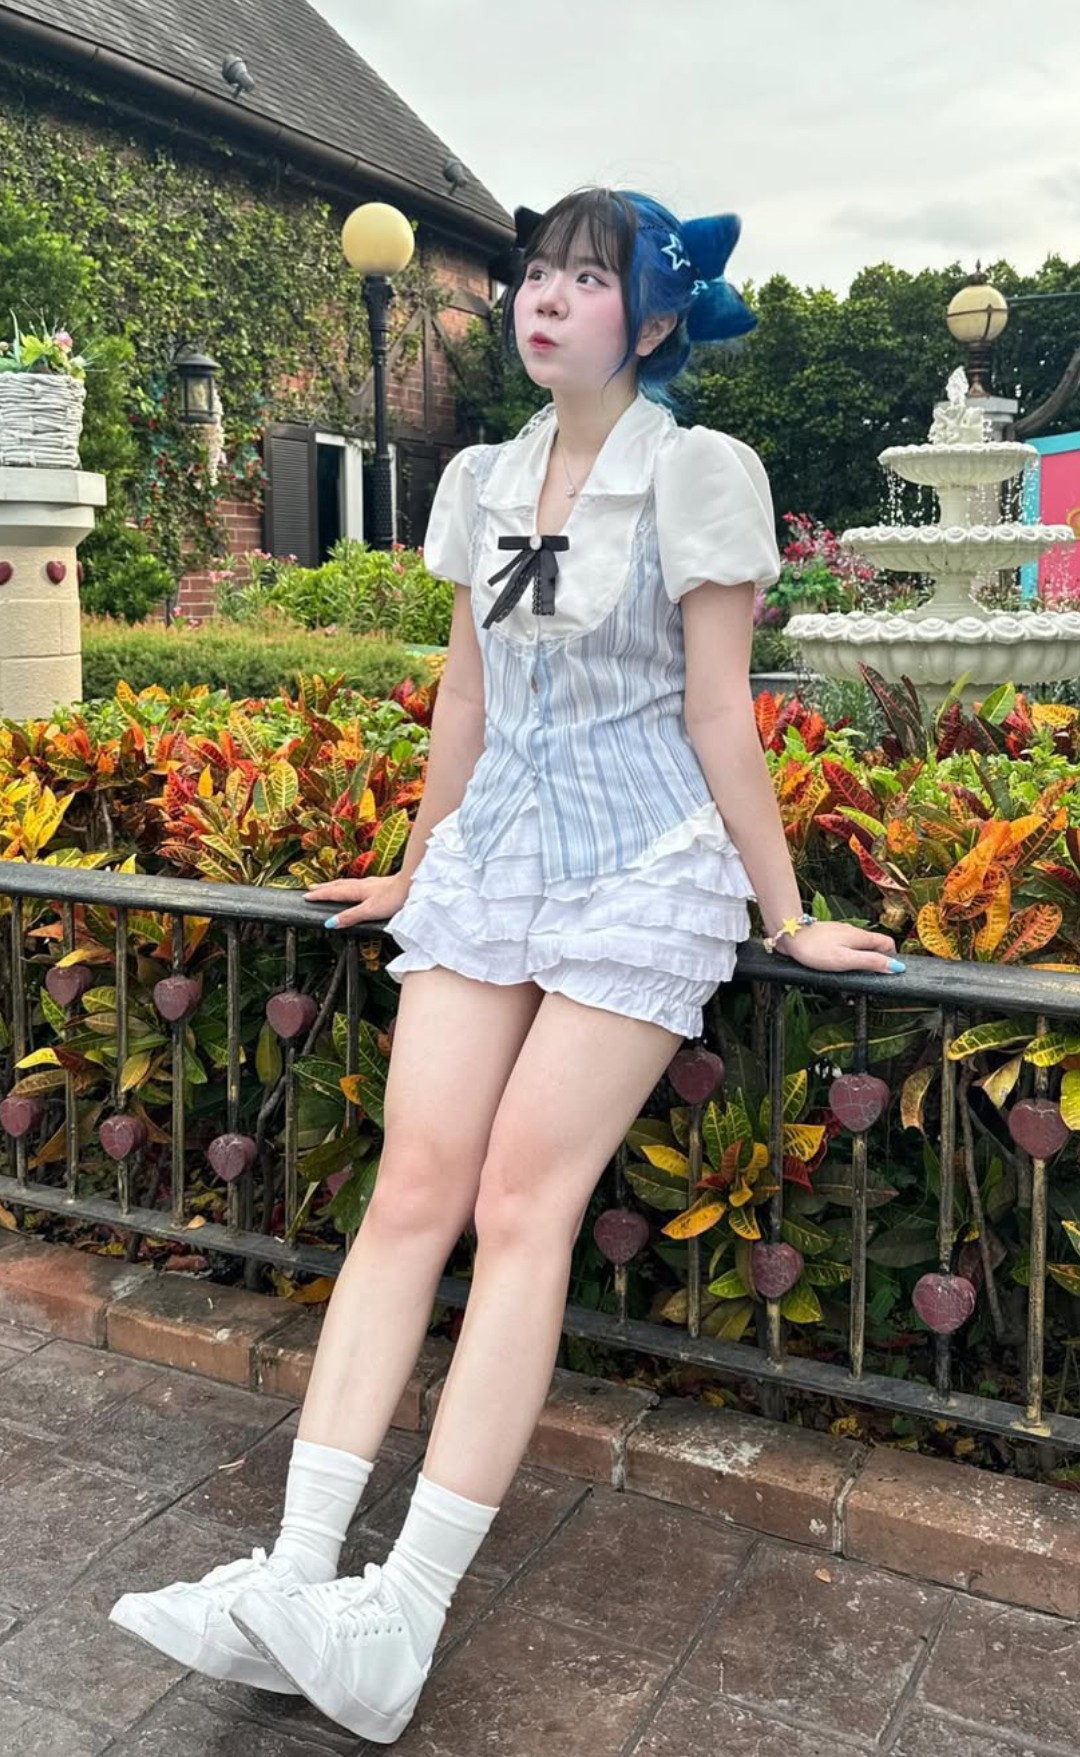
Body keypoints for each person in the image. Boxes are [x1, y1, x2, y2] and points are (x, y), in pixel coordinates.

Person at [109, 186, 902, 1743]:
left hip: (643, 867)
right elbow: (466, 699)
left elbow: (719, 710)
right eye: (536, 273)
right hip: (495, 864)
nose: (542, 297)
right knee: (412, 1189)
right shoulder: (479, 477)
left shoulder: (698, 474)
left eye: (585, 279)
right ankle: (293, 1574)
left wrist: (784, 912)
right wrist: (422, 864)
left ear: (654, 318)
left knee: (524, 1204)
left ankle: (401, 1612)